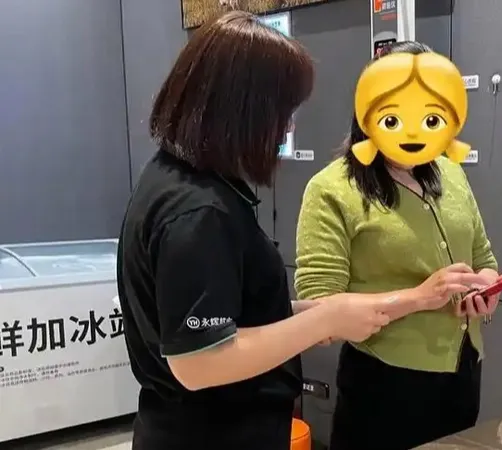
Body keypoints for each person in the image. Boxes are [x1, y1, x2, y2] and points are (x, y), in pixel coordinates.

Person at [116, 11, 391, 450]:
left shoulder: (178, 177)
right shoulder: (198, 211)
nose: (289, 126)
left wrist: (309, 315)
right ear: (244, 110)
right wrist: (324, 319)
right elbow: (199, 361)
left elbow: (226, 314)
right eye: (284, 112)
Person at [294, 41, 502, 450]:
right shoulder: (332, 189)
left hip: (462, 371)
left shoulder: (450, 173)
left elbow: (483, 257)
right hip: (384, 384)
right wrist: (419, 297)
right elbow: (319, 310)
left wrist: (486, 288)